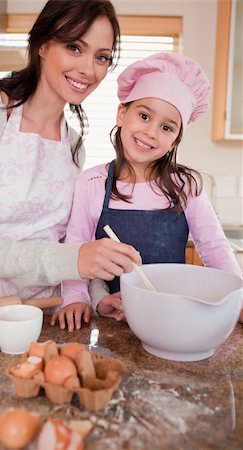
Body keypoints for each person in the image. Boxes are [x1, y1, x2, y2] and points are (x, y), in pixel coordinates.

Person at [0, 1, 141, 310]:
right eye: (75, 47)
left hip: (47, 318)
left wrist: (99, 296)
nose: (88, 70)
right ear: (42, 44)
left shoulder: (73, 146)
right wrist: (75, 258)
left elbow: (68, 245)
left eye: (101, 57)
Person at [54, 52, 243, 331]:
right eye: (144, 116)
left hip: (171, 316)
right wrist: (78, 298)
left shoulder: (186, 185)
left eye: (166, 127)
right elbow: (77, 248)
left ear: (174, 140)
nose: (151, 132)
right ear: (121, 114)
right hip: (113, 318)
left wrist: (237, 299)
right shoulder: (92, 183)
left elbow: (214, 247)